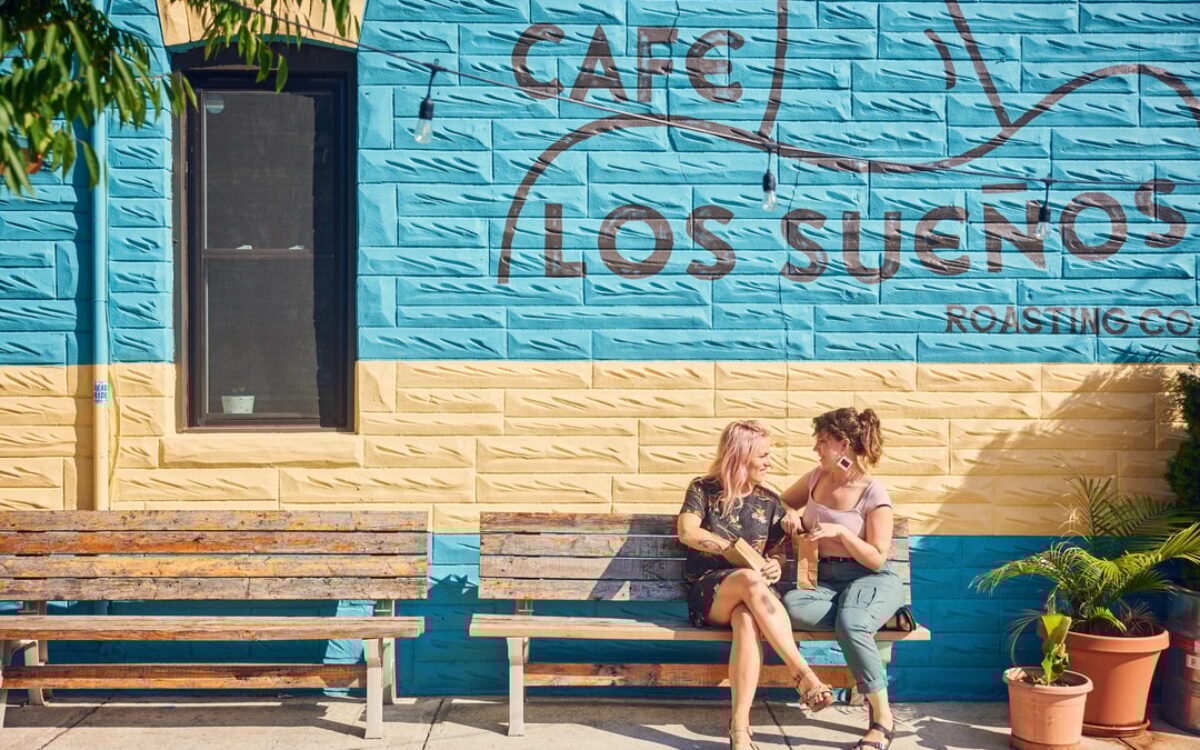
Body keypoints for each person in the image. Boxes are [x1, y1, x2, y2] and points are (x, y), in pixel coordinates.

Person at [677, 419, 835, 750]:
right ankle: (803, 675)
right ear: (740, 455)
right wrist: (732, 550)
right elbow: (687, 531)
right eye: (762, 455)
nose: (768, 463)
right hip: (710, 594)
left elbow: (777, 554)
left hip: (755, 598)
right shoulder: (703, 489)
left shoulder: (769, 500)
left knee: (747, 622)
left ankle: (740, 730)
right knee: (749, 579)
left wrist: (776, 566)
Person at [781, 407, 904, 750]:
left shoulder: (873, 493)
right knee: (792, 607)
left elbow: (876, 557)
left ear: (843, 445)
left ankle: (882, 719)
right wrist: (791, 515)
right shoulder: (815, 478)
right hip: (825, 581)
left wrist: (843, 533)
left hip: (871, 577)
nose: (816, 449)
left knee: (852, 625)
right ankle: (860, 617)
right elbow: (783, 501)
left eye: (822, 442)